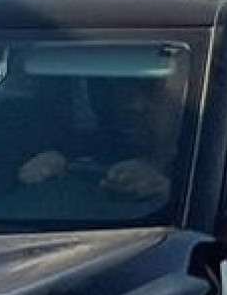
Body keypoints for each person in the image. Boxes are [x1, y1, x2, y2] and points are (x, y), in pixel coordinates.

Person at [17, 72, 182, 207]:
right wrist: (49, 162)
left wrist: (164, 191)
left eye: (152, 94)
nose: (134, 106)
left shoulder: (195, 163)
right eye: (125, 93)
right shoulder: (93, 146)